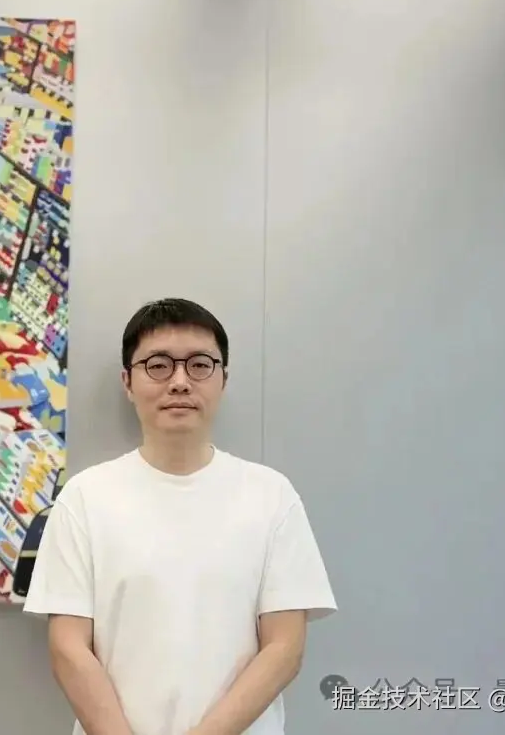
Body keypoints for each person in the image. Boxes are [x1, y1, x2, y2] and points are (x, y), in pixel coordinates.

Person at [23, 298, 337, 735]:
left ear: (223, 379)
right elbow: (68, 648)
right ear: (127, 381)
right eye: (158, 365)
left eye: (200, 365)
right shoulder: (84, 498)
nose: (180, 382)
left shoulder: (272, 496)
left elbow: (284, 648)